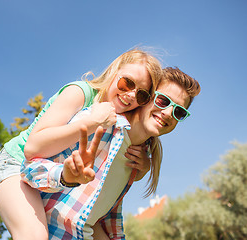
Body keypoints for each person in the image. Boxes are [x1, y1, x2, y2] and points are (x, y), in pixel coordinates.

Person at [0, 48, 163, 240]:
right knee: (34, 235)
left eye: (142, 95)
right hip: (15, 165)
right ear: (114, 71)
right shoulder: (81, 93)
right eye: (126, 83)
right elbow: (33, 148)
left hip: (54, 179)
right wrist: (92, 123)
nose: (130, 95)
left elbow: (115, 172)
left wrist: (143, 168)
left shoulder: (119, 120)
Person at [21, 67, 201, 239]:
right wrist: (64, 176)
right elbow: (29, 167)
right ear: (145, 97)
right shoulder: (99, 123)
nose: (169, 113)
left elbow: (101, 212)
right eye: (163, 100)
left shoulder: (140, 156)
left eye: (179, 111)